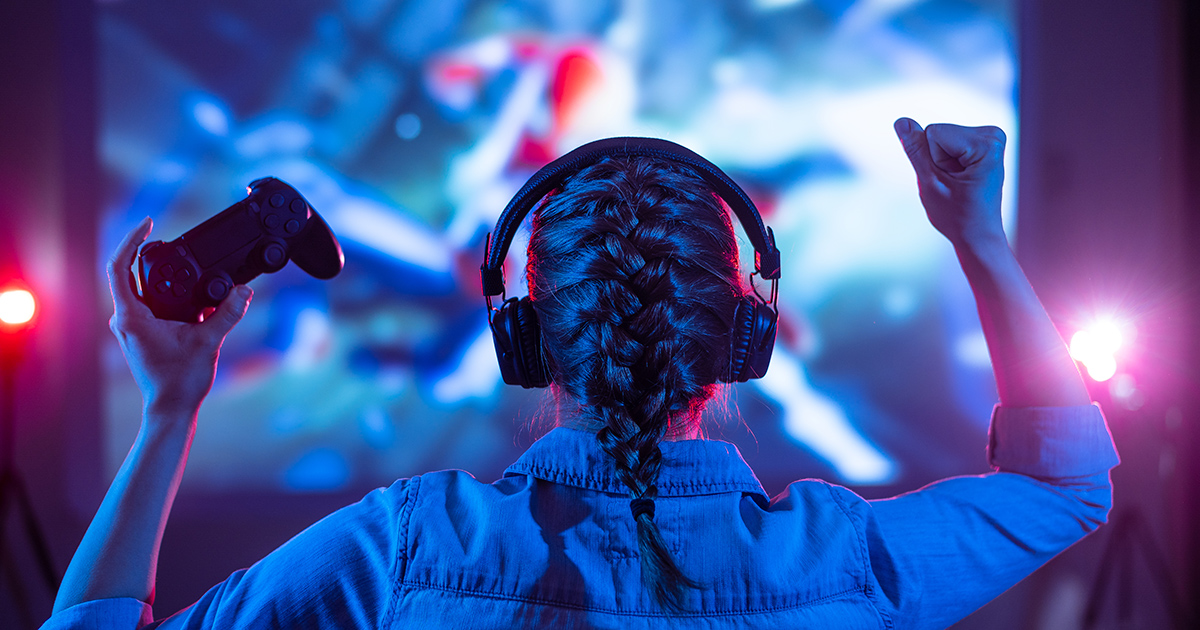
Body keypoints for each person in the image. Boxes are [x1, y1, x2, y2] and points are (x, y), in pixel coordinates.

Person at [43, 120, 1118, 629]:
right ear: (746, 342)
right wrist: (977, 232)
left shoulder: (405, 549)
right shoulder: (851, 567)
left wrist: (172, 409)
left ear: (528, 340)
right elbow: (1069, 483)